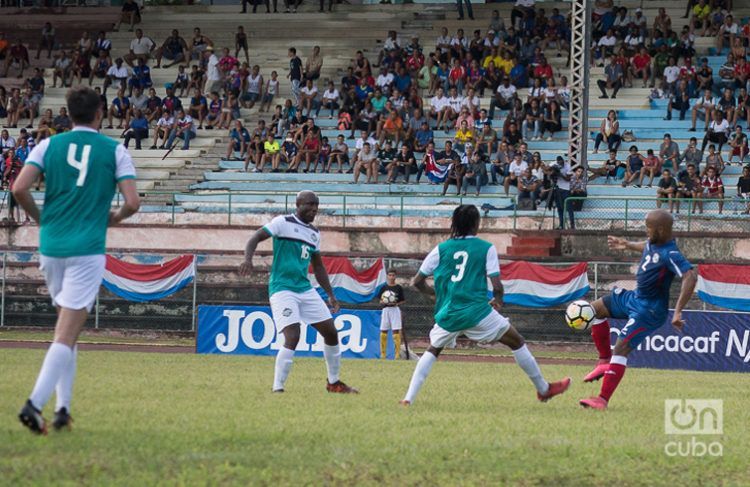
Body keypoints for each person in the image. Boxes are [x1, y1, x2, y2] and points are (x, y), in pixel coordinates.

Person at [15, 86, 140, 434]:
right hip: (86, 248)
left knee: (67, 332)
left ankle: (62, 410)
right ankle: (34, 405)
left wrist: (41, 220)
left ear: (68, 114)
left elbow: (19, 188)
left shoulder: (47, 145)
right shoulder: (114, 150)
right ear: (100, 113)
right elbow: (132, 202)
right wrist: (112, 219)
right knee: (65, 333)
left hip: (52, 246)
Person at [401, 205, 570, 406]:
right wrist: (498, 301)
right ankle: (543, 389)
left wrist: (437, 295)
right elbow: (497, 285)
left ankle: (408, 398)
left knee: (433, 350)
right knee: (516, 341)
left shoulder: (441, 248)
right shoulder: (485, 248)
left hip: (449, 313)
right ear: (476, 224)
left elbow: (417, 282)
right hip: (476, 312)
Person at [238, 191, 357, 394]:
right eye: (310, 204)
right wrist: (248, 259)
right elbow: (255, 238)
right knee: (293, 336)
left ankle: (334, 382)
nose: (314, 209)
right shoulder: (282, 223)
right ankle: (278, 388)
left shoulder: (314, 233)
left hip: (304, 289)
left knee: (330, 332)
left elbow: (318, 267)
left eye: (317, 205)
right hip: (282, 288)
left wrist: (331, 294)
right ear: (298, 204)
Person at [580, 210, 697, 410]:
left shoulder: (671, 253)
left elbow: (690, 276)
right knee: (595, 310)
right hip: (634, 298)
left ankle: (602, 399)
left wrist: (678, 312)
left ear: (660, 230)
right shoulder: (654, 242)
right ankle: (603, 361)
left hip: (649, 311)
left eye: (648, 227)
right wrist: (627, 244)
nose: (645, 231)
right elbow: (646, 246)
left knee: (622, 347)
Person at [378, 269, 405, 360]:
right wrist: (383, 302)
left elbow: (403, 300)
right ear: (387, 276)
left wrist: (396, 303)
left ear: (395, 276)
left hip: (395, 310)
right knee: (383, 332)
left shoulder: (398, 288)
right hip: (386, 310)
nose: (391, 277)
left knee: (396, 332)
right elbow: (380, 299)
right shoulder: (384, 287)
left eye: (393, 275)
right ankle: (383, 354)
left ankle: (396, 355)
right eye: (390, 275)